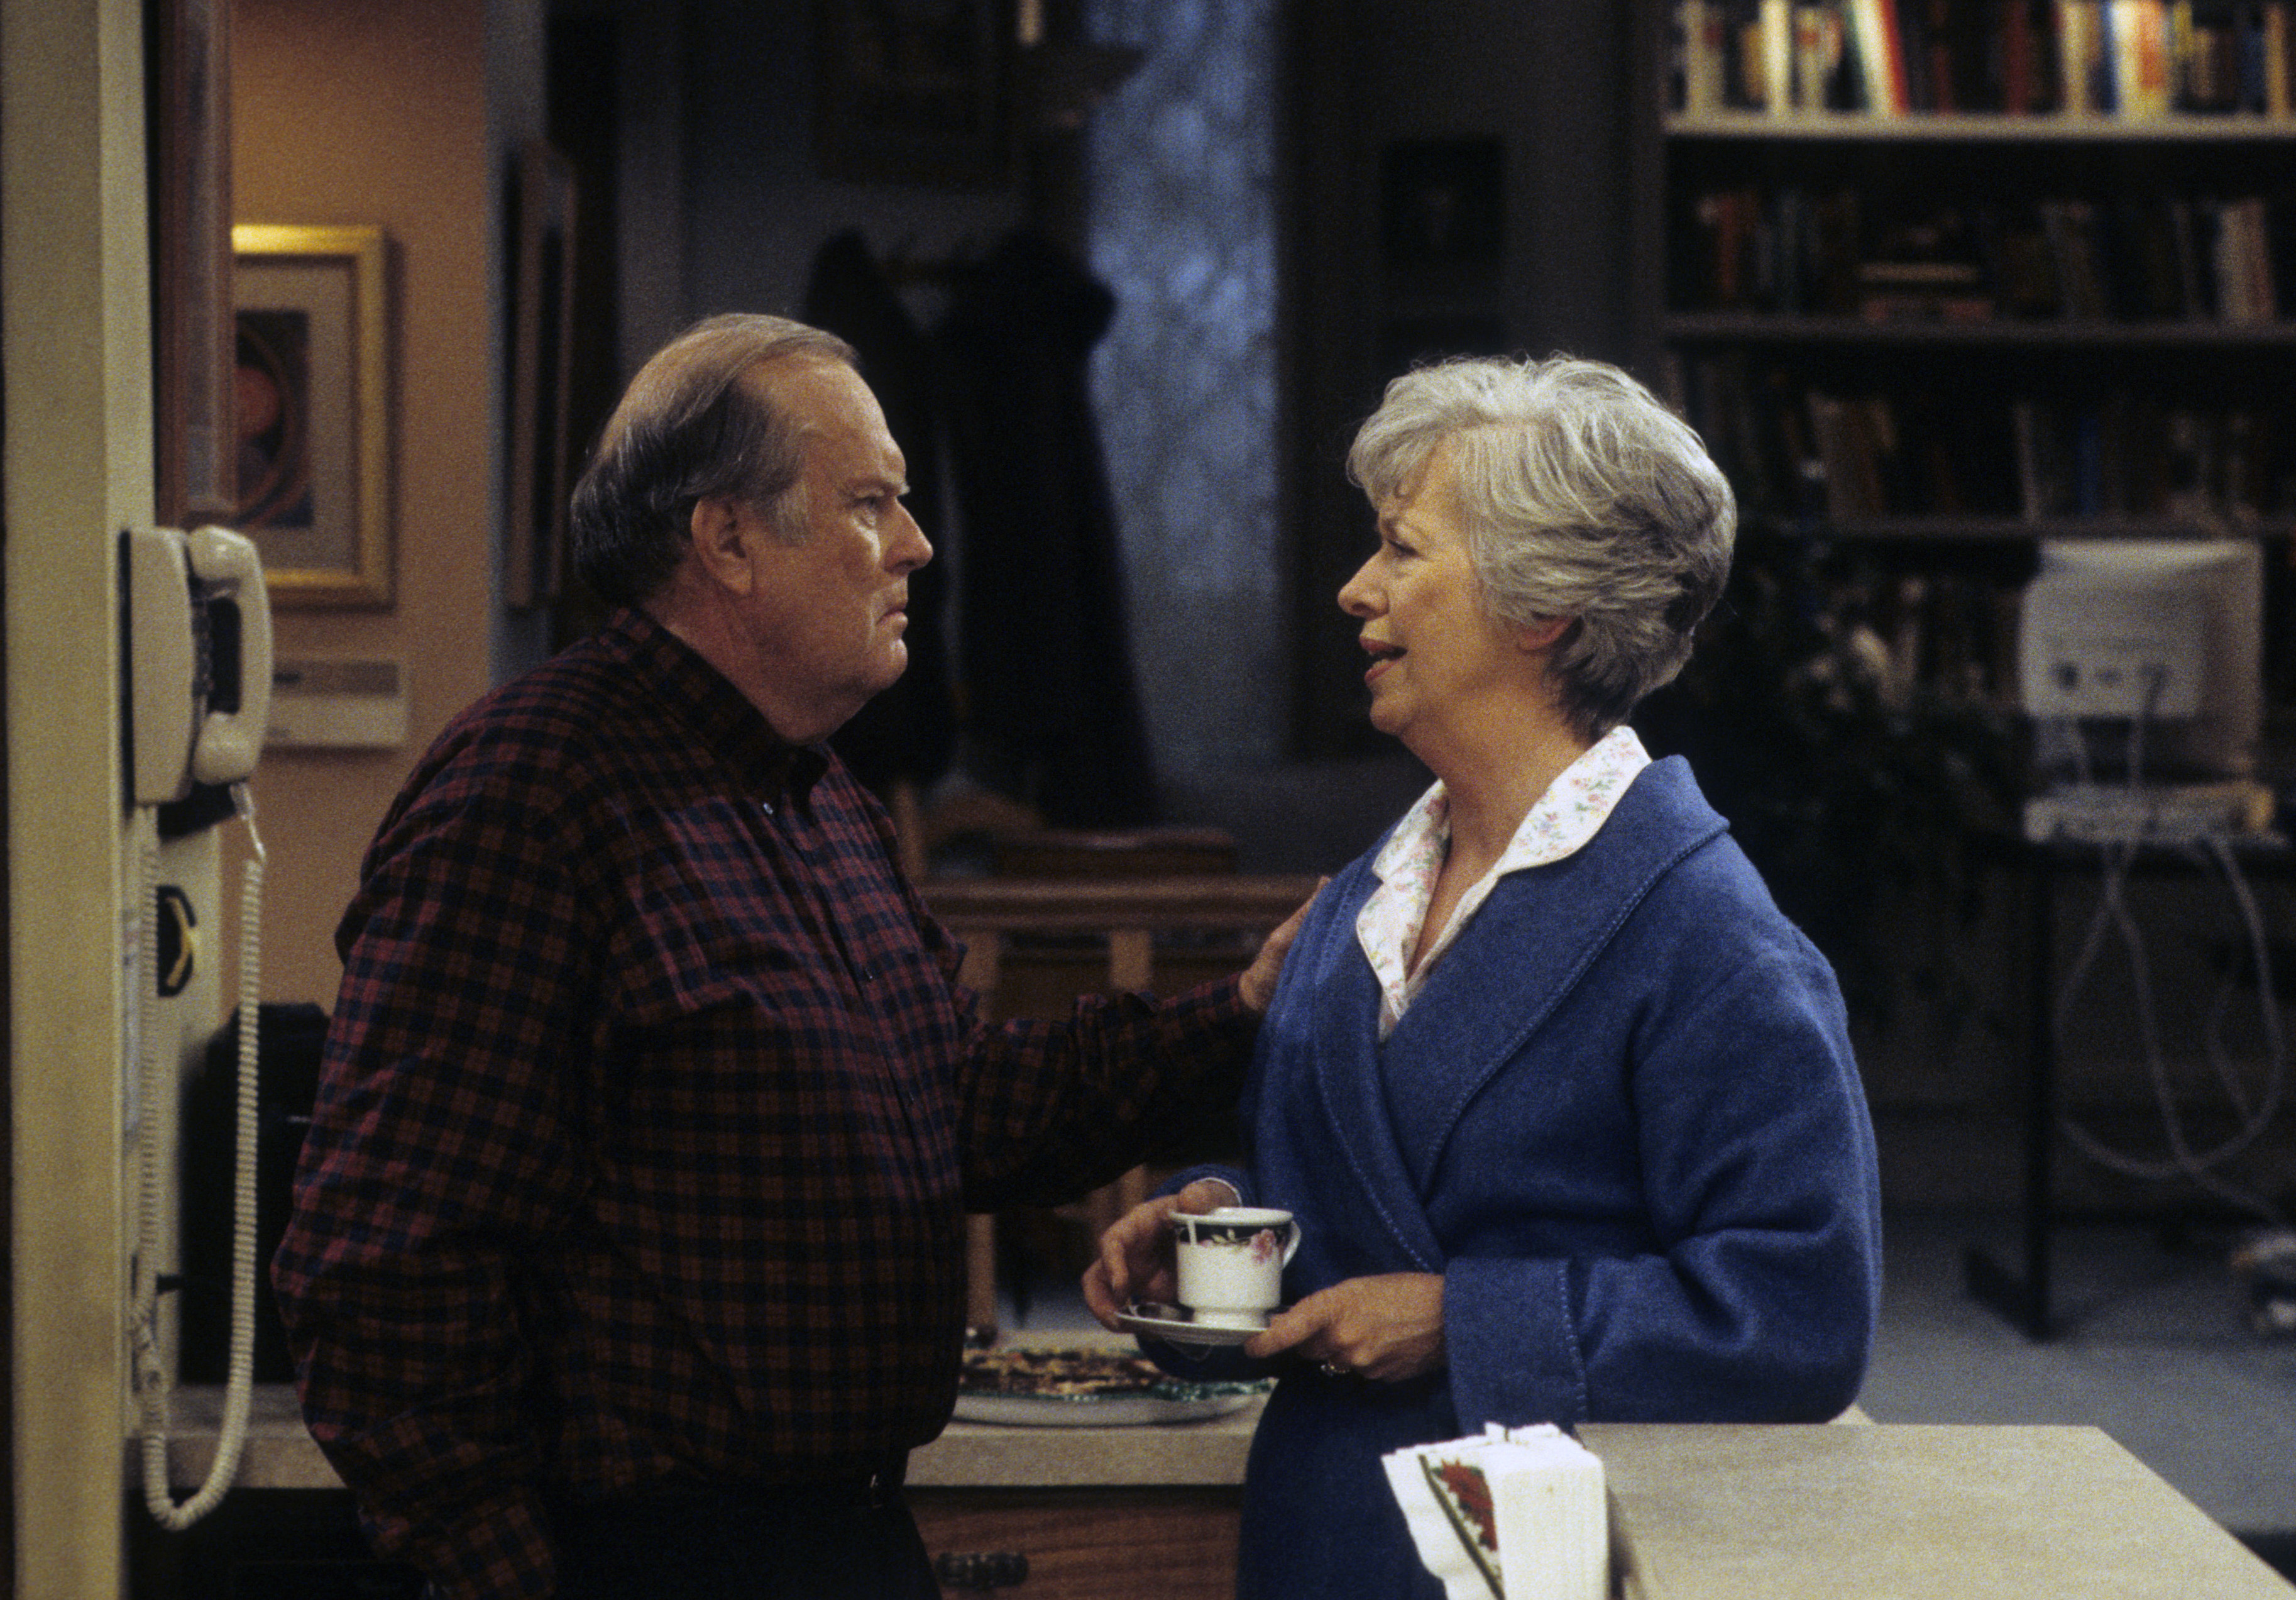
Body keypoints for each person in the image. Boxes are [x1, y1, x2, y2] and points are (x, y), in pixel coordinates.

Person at [273, 313, 1307, 1600]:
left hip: (846, 1533)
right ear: (726, 541)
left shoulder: (815, 796)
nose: (918, 546)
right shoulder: (532, 792)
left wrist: (1245, 1006)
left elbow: (964, 1104)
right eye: (872, 502)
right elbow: (381, 1267)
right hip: (647, 1555)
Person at [1083, 354, 1882, 1600]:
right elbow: (1372, 1196)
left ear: (1539, 607)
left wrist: (1464, 1320)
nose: (1355, 590)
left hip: (1534, 1559)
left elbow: (1797, 1314)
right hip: (1317, 1533)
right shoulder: (1360, 897)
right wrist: (1226, 1224)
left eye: (1401, 550)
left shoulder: (1711, 937)